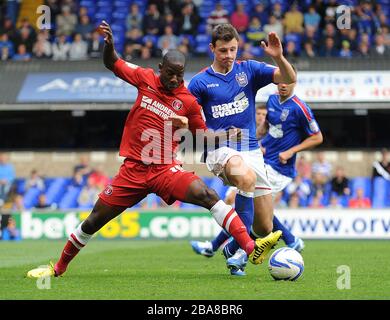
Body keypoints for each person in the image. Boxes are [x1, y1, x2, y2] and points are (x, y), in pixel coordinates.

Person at [26, 21, 281, 279]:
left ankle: (250, 248)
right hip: (133, 171)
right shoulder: (144, 78)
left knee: (207, 194)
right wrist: (110, 46)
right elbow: (112, 63)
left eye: (180, 75)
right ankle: (57, 268)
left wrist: (220, 134)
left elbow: (203, 137)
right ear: (160, 69)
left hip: (164, 170)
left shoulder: (188, 102)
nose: (175, 79)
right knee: (93, 221)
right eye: (170, 73)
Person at [188, 24, 295, 275]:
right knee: (245, 177)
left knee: (265, 226)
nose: (228, 55)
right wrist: (222, 135)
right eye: (223, 50)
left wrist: (278, 57)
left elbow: (289, 79)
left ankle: (231, 247)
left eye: (233, 49)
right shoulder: (199, 83)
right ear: (212, 48)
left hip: (251, 150)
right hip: (219, 149)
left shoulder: (248, 70)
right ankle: (241, 252)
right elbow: (192, 131)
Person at [191, 74, 323, 275]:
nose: (283, 86)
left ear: (294, 82)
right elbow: (265, 128)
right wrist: (254, 140)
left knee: (241, 201)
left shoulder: (300, 108)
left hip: (280, 167)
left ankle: (232, 250)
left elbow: (317, 137)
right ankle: (284, 241)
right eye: (280, 82)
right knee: (259, 214)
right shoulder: (271, 100)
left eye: (287, 82)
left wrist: (291, 151)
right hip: (263, 158)